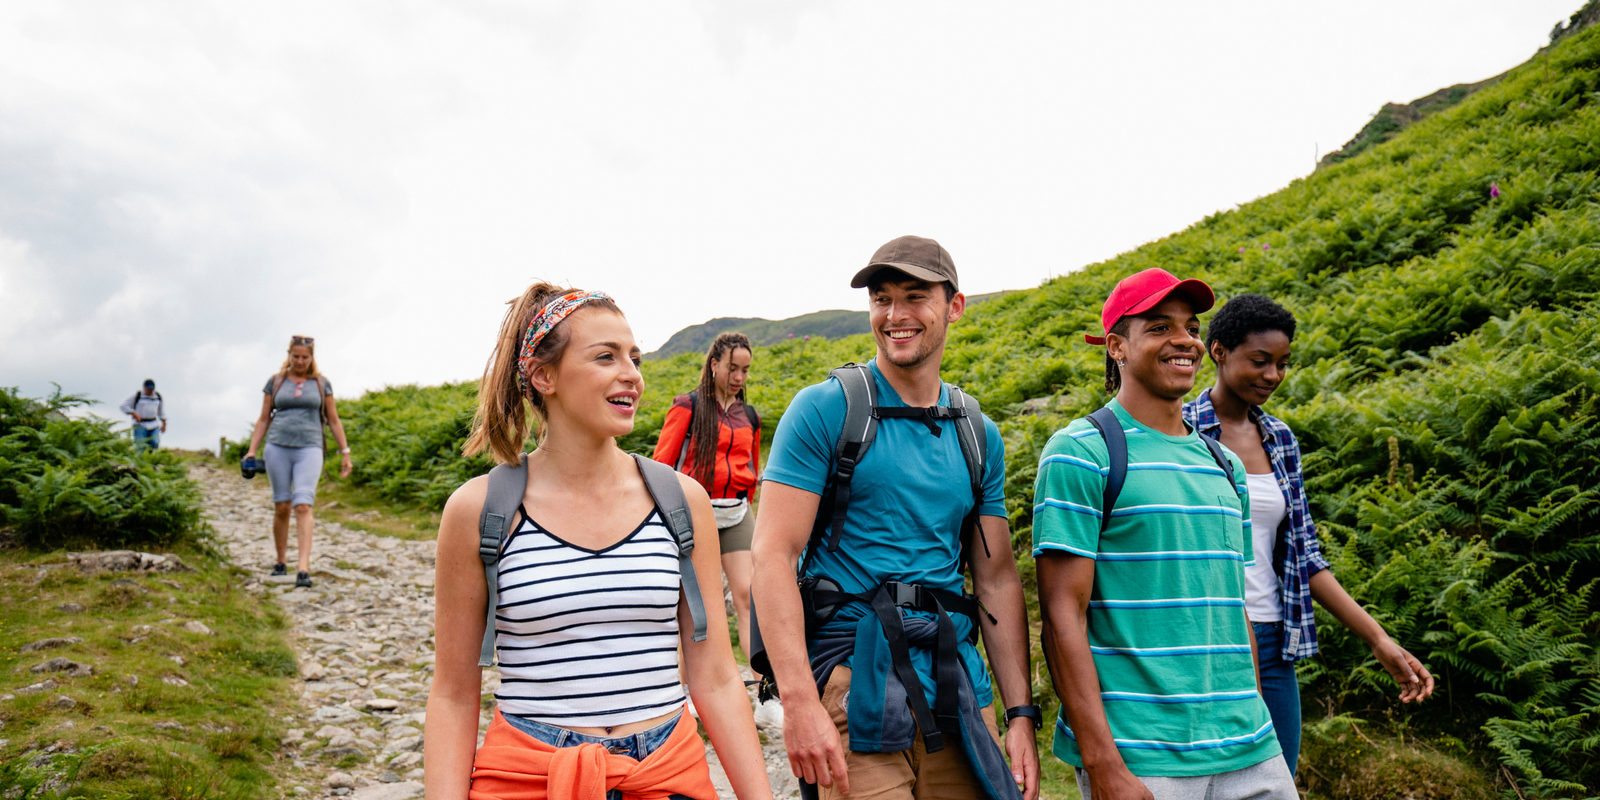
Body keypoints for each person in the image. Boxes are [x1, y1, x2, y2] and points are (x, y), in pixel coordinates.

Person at [424, 283, 771, 800]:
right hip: (528, 776)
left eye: (633, 357)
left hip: (666, 775)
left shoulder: (681, 500)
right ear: (544, 377)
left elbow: (717, 678)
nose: (631, 374)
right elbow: (453, 695)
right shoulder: (479, 510)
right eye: (605, 357)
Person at [752, 235, 1040, 800]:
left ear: (954, 306)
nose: (895, 315)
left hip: (957, 682)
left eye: (914, 296)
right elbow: (772, 555)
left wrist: (1020, 715)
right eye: (882, 299)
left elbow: (998, 576)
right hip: (851, 678)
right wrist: (800, 703)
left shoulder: (975, 431)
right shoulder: (825, 408)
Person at [1032, 268, 1297, 800]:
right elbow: (1062, 615)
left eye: (1191, 327)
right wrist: (1102, 761)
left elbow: (1232, 605)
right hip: (1141, 752)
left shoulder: (1225, 465)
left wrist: (1259, 717)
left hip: (1249, 747)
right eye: (1158, 327)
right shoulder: (1082, 452)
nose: (1184, 340)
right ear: (1117, 347)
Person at [1183, 293, 1434, 775]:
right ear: (1218, 351)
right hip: (1210, 643)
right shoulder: (1182, 431)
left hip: (1276, 643)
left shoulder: (1280, 439)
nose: (1273, 376)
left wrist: (1378, 639)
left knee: (1276, 783)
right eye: (1260, 361)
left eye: (1282, 364)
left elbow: (1305, 556)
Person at [650, 331, 784, 729]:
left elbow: (751, 465)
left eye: (745, 370)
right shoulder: (688, 407)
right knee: (694, 606)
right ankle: (687, 695)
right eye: (733, 368)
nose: (739, 376)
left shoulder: (750, 416)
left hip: (736, 513)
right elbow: (662, 463)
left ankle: (765, 696)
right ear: (714, 364)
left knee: (750, 597)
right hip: (696, 514)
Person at [244, 335, 352, 589]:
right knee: (282, 505)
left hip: (310, 448)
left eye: (305, 357)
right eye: (296, 356)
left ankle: (303, 568)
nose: (300, 361)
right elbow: (263, 419)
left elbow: (333, 420)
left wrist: (344, 451)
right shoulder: (276, 382)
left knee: (303, 504)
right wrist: (251, 450)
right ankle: (281, 560)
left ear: (312, 357)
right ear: (289, 356)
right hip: (277, 447)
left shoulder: (321, 384)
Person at [120, 379, 166, 451]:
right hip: (140, 424)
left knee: (155, 442)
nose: (149, 391)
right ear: (144, 387)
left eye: (151, 389)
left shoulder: (157, 397)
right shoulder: (137, 395)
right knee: (141, 445)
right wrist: (134, 413)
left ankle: (151, 459)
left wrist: (164, 423)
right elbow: (123, 406)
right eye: (148, 389)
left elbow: (161, 411)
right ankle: (140, 460)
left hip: (153, 423)